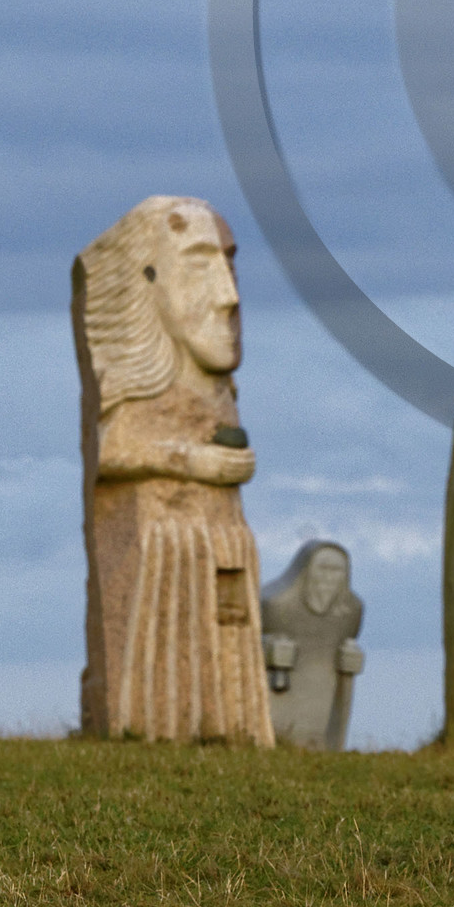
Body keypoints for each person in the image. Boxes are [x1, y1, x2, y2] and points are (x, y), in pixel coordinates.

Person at [74, 195, 276, 745]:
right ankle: (150, 725)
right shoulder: (138, 380)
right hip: (165, 547)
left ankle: (233, 730)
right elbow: (112, 452)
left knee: (227, 650)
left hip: (224, 541)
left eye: (228, 263)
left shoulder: (216, 389)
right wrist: (197, 462)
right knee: (167, 665)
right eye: (199, 264)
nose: (228, 295)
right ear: (148, 279)